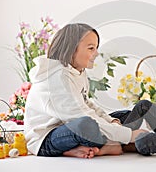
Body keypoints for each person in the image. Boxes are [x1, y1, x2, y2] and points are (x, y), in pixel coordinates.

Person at [24, 23, 146, 159]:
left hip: (69, 125)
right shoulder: (57, 78)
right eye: (91, 48)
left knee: (124, 116)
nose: (97, 53)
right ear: (71, 49)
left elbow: (87, 104)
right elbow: (82, 116)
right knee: (87, 125)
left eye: (96, 48)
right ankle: (111, 145)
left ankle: (97, 146)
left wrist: (111, 121)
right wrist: (129, 135)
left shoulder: (77, 71)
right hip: (46, 139)